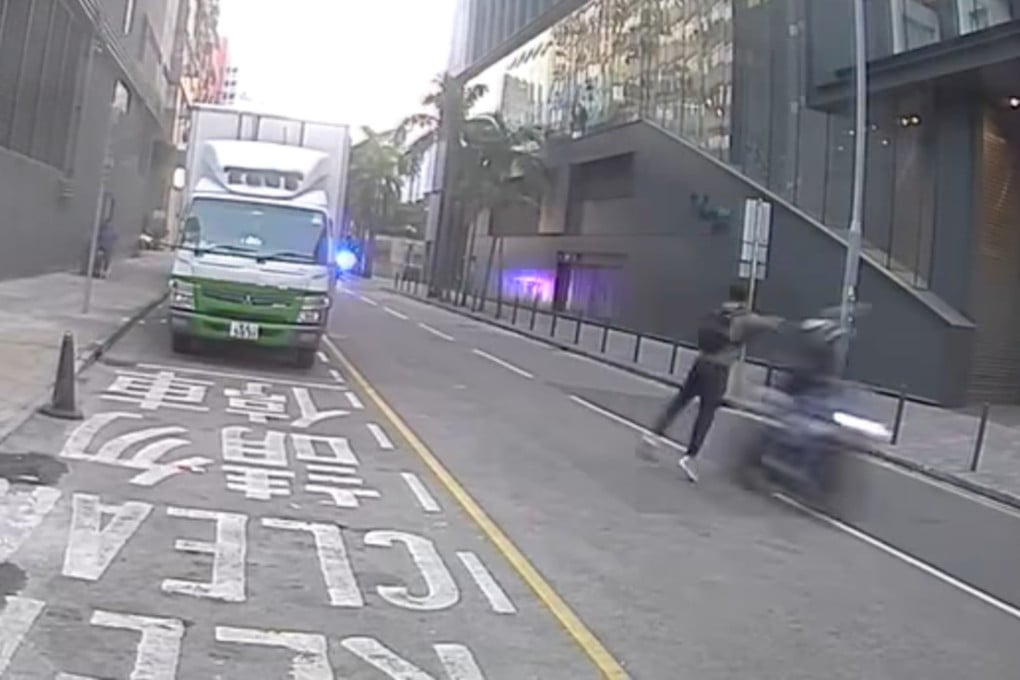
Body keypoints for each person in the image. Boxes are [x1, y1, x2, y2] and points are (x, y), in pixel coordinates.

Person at [638, 282, 781, 482]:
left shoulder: (719, 312)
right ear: (746, 298)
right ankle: (690, 457)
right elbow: (771, 324)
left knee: (681, 400)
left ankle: (652, 435)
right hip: (718, 370)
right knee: (706, 413)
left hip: (701, 362)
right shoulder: (745, 319)